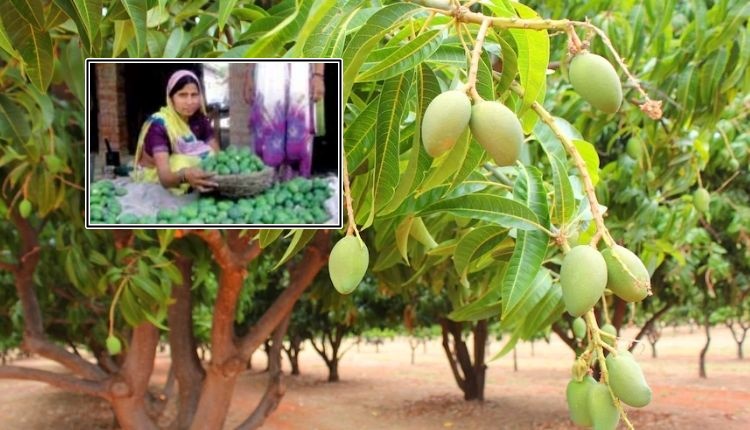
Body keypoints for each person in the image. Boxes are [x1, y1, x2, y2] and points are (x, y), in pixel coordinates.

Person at [133, 69, 219, 193]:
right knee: (180, 161)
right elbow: (165, 177)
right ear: (171, 97)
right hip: (157, 176)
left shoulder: (199, 120)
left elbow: (217, 154)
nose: (189, 102)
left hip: (188, 173)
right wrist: (185, 175)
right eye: (182, 95)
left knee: (209, 155)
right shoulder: (159, 125)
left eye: (194, 95)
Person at [243, 62, 325, 180]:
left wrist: (318, 75)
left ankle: (296, 188)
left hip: (300, 72)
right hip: (268, 72)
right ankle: (266, 188)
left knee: (299, 137)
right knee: (267, 128)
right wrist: (248, 74)